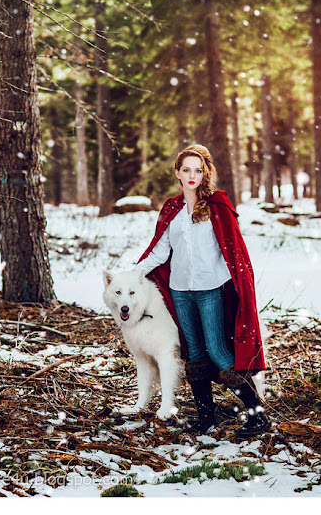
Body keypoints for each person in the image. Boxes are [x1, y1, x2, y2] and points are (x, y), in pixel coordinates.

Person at [135, 144, 270, 437]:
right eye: (187, 170)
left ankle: (257, 416)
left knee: (219, 353)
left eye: (198, 170)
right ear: (178, 173)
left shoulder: (217, 205)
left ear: (205, 172)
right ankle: (206, 419)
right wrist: (133, 275)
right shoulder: (171, 209)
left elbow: (231, 250)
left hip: (211, 289)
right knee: (194, 353)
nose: (192, 175)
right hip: (180, 291)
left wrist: (236, 286)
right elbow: (160, 251)